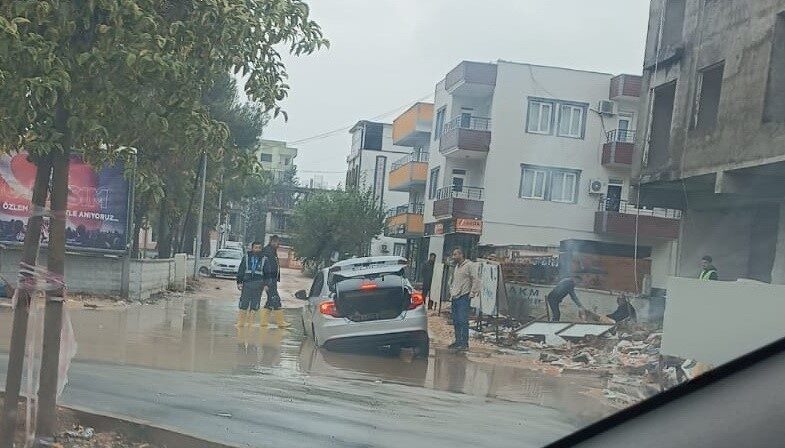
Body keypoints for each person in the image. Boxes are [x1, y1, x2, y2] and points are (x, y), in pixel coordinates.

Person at [447, 247, 479, 352]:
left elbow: (475, 279)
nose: (453, 257)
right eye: (453, 254)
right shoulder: (457, 267)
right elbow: (454, 281)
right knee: (456, 320)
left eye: (455, 254)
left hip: (464, 296)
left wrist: (472, 292)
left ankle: (464, 343)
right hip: (455, 296)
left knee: (463, 320)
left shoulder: (469, 265)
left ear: (461, 255)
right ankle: (458, 341)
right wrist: (451, 291)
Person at [258, 235, 290, 329]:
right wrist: (266, 283)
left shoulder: (272, 251)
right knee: (275, 299)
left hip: (272, 280)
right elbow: (266, 268)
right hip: (269, 281)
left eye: (278, 242)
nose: (278, 244)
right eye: (276, 242)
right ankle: (280, 323)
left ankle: (263, 323)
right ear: (271, 241)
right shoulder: (268, 252)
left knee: (270, 301)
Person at [235, 241, 265, 327]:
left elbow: (267, 273)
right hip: (247, 284)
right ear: (252, 248)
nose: (257, 249)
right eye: (256, 247)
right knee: (244, 303)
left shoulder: (264, 259)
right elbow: (241, 270)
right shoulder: (246, 258)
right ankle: (240, 323)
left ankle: (250, 324)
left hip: (259, 285)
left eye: (259, 248)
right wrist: (239, 282)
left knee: (255, 304)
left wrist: (266, 284)